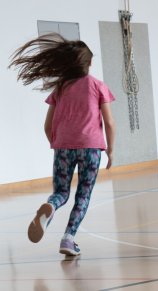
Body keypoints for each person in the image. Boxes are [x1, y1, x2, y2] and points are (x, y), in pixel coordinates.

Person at [12, 33, 117, 256]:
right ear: (88, 64)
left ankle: (49, 208)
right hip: (90, 148)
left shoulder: (60, 87)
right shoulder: (97, 85)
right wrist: (111, 150)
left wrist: (57, 143)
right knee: (83, 195)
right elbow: (109, 121)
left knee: (61, 192)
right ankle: (68, 239)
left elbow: (47, 124)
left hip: (63, 148)